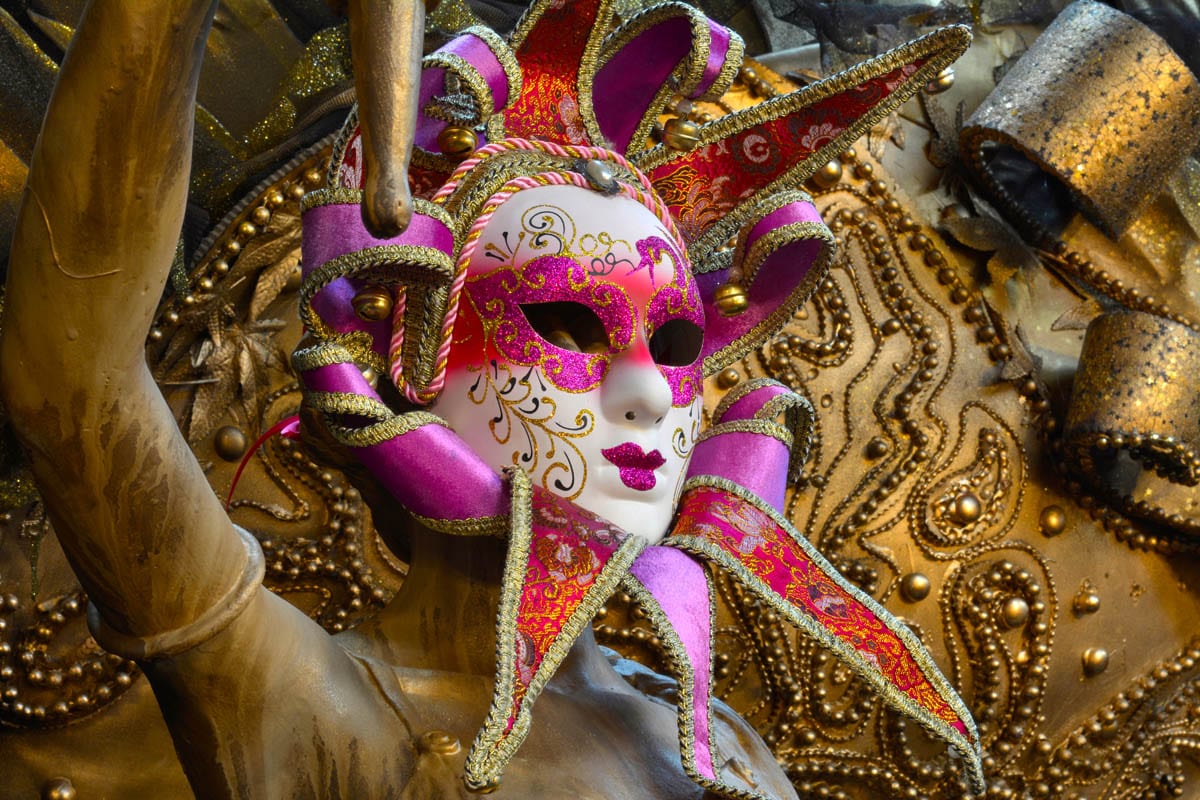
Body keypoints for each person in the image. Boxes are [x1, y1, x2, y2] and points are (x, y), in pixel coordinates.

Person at [0, 1, 982, 797]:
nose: (646, 394)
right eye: (570, 327)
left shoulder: (721, 743)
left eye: (676, 342)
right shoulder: (320, 711)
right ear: (412, 363)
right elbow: (75, 385)